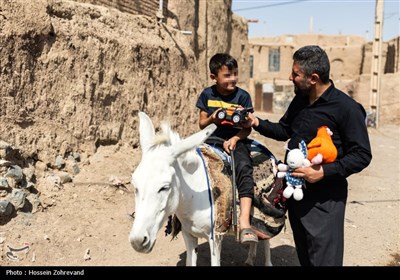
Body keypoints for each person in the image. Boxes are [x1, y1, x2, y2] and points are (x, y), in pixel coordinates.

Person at [245, 45, 372, 265]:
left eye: (295, 74)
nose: (290, 77)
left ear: (313, 78)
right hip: (296, 198)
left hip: (325, 202)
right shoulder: (301, 100)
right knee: (305, 258)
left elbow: (362, 154)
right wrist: (256, 122)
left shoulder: (346, 108)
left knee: (324, 261)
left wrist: (323, 172)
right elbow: (285, 130)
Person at [196, 53, 258, 244]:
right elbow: (201, 124)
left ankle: (245, 221)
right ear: (214, 77)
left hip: (236, 140)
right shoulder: (207, 94)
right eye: (227, 75)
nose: (233, 79)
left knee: (244, 168)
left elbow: (247, 128)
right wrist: (213, 117)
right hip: (212, 138)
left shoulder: (243, 96)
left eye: (235, 74)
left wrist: (234, 138)